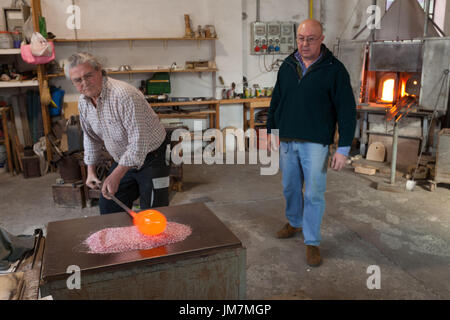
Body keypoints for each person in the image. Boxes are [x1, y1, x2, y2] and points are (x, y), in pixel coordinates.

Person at [267, 19, 356, 267]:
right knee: (290, 187)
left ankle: (312, 241)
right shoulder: (287, 65)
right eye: (300, 38)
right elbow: (277, 100)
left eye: (310, 39)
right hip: (287, 139)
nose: (304, 44)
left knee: (314, 193)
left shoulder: (335, 70)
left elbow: (347, 111)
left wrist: (343, 148)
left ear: (322, 38)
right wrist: (270, 130)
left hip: (316, 143)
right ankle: (294, 222)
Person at [65, 52, 170, 214]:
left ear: (99, 70)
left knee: (154, 213)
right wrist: (91, 171)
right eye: (78, 80)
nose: (84, 83)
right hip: (123, 158)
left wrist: (115, 176)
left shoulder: (124, 95)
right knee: (108, 206)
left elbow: (138, 144)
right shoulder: (83, 102)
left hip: (153, 157)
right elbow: (91, 137)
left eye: (88, 76)